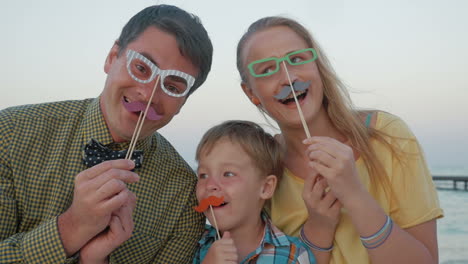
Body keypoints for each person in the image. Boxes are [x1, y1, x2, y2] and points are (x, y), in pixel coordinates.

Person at [0, 4, 212, 264]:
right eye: (142, 68)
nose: (148, 95)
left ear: (183, 102)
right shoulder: (10, 133)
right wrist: (70, 228)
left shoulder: (183, 196)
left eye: (172, 86)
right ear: (112, 57)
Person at [236, 16, 443, 264]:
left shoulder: (388, 135)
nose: (288, 78)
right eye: (267, 69)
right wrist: (317, 229)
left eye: (296, 59)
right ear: (251, 93)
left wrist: (354, 195)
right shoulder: (262, 168)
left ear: (317, 66)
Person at [192, 120, 316, 264]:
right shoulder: (193, 242)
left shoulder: (294, 256)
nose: (210, 185)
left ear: (265, 188)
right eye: (203, 175)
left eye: (228, 174)